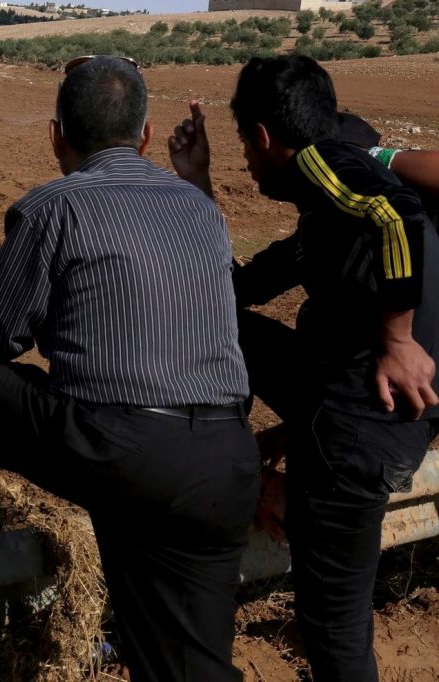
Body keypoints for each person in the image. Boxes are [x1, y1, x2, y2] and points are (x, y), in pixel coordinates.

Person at [0, 56, 260, 681]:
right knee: (187, 669)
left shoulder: (53, 208)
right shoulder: (201, 211)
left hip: (123, 451)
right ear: (146, 136)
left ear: (55, 135)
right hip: (225, 460)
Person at [168, 55, 439, 682]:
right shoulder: (326, 221)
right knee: (218, 318)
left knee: (331, 627)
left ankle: (235, 474)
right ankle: (242, 466)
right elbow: (229, 292)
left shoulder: (324, 165)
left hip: (360, 435)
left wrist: (396, 337)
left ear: (263, 136)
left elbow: (394, 212)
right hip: (362, 411)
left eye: (242, 144)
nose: (246, 158)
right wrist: (198, 184)